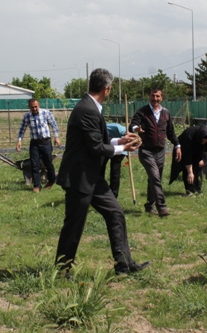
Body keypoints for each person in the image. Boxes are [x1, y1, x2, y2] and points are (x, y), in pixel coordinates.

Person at [55, 68, 149, 276]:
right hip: (79, 178)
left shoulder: (91, 107)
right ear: (106, 89)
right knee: (74, 226)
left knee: (115, 213)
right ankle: (62, 270)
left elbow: (98, 141)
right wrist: (123, 149)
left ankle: (124, 264)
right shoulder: (87, 109)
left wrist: (118, 141)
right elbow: (96, 148)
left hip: (92, 178)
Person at [130, 89, 181, 216]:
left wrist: (177, 145)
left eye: (157, 96)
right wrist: (136, 128)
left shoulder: (166, 113)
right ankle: (161, 207)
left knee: (154, 179)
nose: (155, 98)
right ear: (149, 97)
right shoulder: (142, 111)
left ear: (161, 98)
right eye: (152, 96)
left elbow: (170, 132)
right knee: (154, 177)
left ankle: (149, 205)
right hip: (146, 151)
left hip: (160, 151)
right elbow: (132, 125)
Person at [16, 98, 61, 193]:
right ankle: (37, 185)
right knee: (34, 164)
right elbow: (22, 129)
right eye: (32, 107)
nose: (34, 109)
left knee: (48, 163)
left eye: (36, 106)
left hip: (46, 142)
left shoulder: (46, 113)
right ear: (29, 107)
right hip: (34, 143)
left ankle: (52, 180)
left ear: (39, 105)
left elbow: (54, 125)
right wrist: (19, 141)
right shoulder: (27, 116)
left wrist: (56, 137)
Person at [169, 125, 207, 195]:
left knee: (198, 168)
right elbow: (187, 157)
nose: (203, 142)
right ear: (199, 138)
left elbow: (206, 150)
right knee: (187, 170)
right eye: (202, 141)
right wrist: (190, 172)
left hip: (197, 150)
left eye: (205, 142)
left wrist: (203, 159)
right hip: (184, 148)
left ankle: (197, 189)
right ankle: (189, 190)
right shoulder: (188, 136)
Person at [100, 123, 127, 198]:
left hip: (119, 149)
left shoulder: (123, 131)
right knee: (101, 167)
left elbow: (127, 142)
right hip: (106, 147)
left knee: (115, 171)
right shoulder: (107, 128)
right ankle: (100, 189)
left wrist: (126, 152)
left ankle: (113, 194)